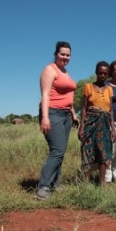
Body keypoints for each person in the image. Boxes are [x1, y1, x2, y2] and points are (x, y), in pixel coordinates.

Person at [36, 41, 79, 200]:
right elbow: (46, 95)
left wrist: (73, 113)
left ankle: (55, 184)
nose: (65, 57)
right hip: (53, 113)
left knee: (60, 151)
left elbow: (68, 96)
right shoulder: (50, 70)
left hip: (66, 115)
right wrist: (45, 117)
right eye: (62, 54)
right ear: (56, 54)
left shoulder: (65, 72)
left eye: (68, 55)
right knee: (57, 151)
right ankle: (43, 187)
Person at [78, 61, 115, 186]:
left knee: (102, 152)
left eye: (105, 73)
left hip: (104, 124)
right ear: (96, 73)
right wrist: (81, 126)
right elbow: (84, 108)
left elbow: (111, 110)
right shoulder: (88, 87)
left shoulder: (109, 89)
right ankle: (86, 183)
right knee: (87, 150)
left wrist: (113, 128)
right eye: (100, 73)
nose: (102, 75)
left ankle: (102, 182)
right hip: (90, 123)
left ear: (108, 74)